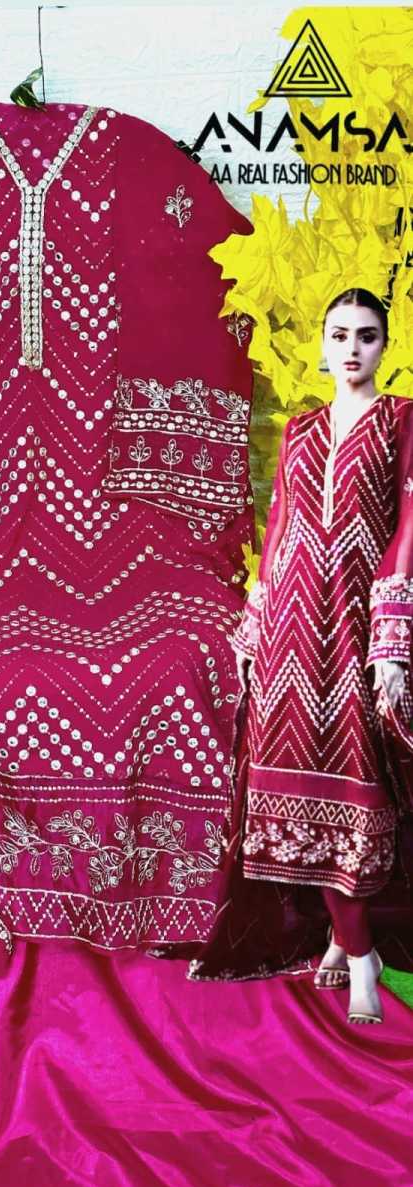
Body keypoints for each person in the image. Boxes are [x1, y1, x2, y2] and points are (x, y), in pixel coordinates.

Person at [231, 287, 413, 1025]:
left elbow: (409, 524)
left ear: (384, 345)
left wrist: (393, 640)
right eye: (338, 334)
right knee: (290, 779)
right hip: (290, 632)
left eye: (365, 335)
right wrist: (254, 629)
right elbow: (279, 527)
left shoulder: (402, 419)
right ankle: (347, 941)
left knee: (357, 782)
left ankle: (359, 948)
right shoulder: (301, 430)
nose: (351, 349)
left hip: (357, 627)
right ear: (321, 344)